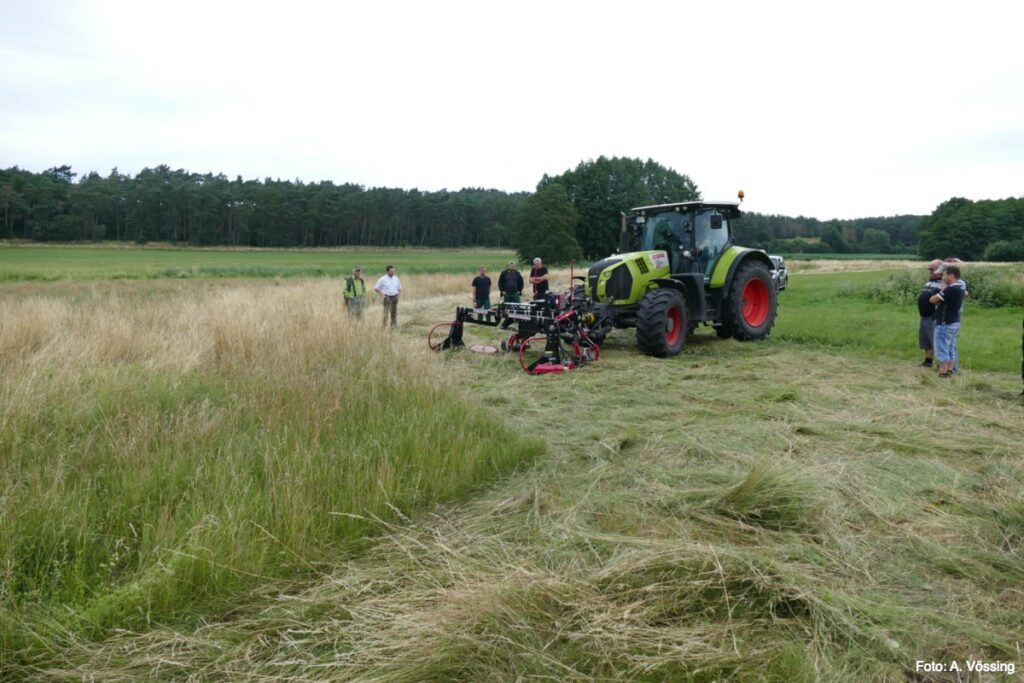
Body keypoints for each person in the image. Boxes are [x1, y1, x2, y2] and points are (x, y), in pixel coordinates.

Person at [929, 264, 964, 378]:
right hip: (954, 322)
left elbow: (933, 299)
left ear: (951, 275)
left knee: (942, 347)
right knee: (951, 347)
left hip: (945, 323)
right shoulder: (960, 287)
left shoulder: (951, 289)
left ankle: (942, 372)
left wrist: (939, 294)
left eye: (944, 275)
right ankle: (950, 370)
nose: (942, 278)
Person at [916, 260, 943, 367]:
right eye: (929, 269)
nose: (930, 271)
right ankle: (928, 361)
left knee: (935, 341)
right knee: (926, 340)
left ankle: (942, 364)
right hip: (924, 315)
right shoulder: (931, 280)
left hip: (933, 316)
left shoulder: (943, 283)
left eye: (932, 269)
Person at [497, 260, 524, 329]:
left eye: (513, 266)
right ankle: (507, 320)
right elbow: (500, 283)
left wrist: (519, 291)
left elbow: (521, 283)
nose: (512, 267)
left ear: (515, 267)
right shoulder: (504, 273)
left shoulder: (517, 273)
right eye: (511, 266)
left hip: (515, 293)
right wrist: (502, 291)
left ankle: (517, 319)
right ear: (508, 266)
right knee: (507, 307)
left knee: (517, 307)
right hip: (507, 293)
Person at [374, 264, 401, 329]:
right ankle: (384, 327)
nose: (393, 272)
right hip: (387, 297)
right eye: (391, 271)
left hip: (395, 297)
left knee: (394, 313)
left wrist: (398, 295)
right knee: (386, 313)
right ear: (387, 271)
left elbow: (399, 288)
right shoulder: (382, 279)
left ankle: (393, 327)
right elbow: (376, 288)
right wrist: (382, 295)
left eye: (394, 271)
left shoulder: (396, 278)